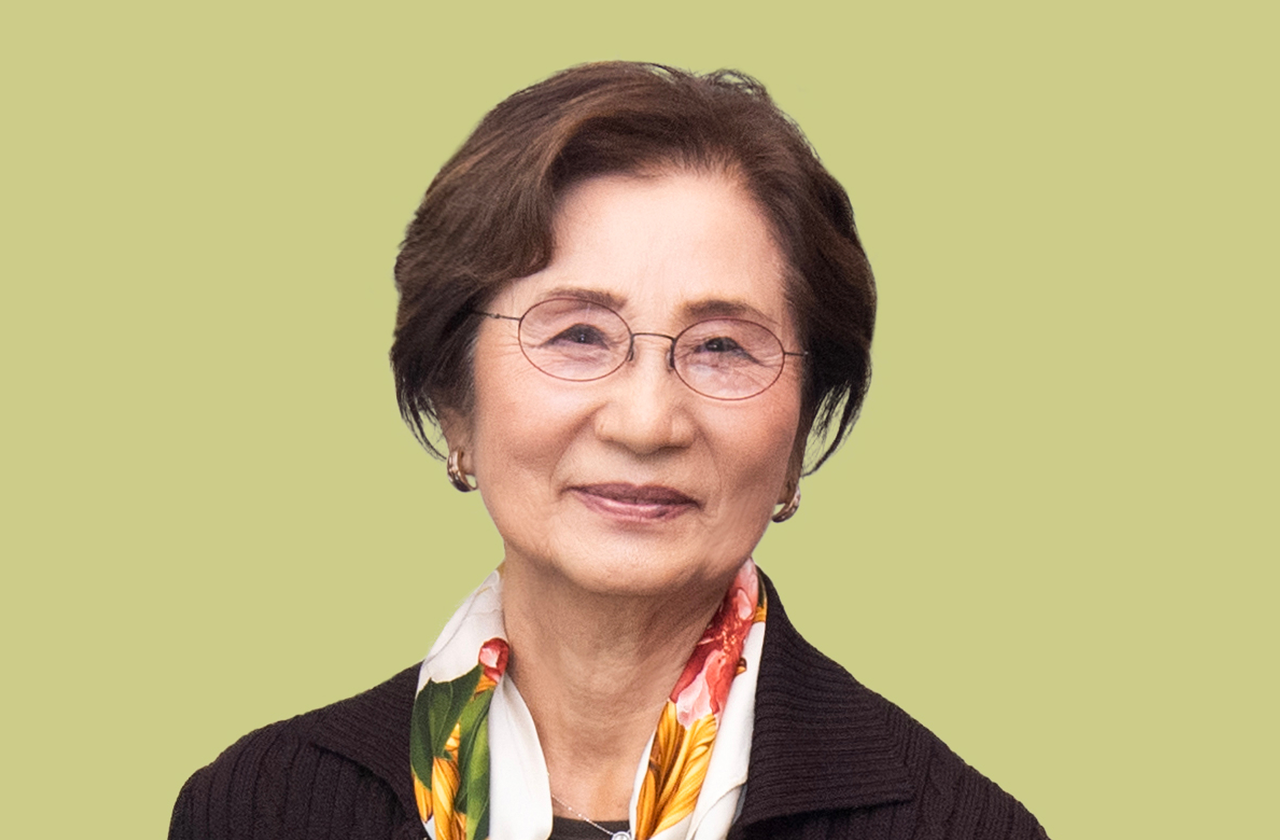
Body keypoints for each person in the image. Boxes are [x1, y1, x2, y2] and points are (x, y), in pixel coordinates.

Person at [169, 62, 1049, 840]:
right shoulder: (262, 808)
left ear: (799, 434)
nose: (646, 421)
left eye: (722, 347)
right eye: (580, 335)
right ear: (454, 402)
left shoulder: (960, 829)